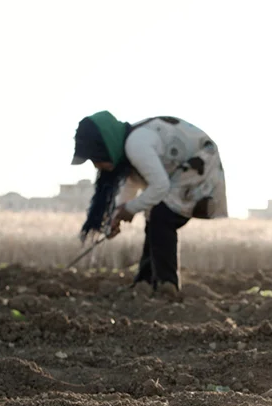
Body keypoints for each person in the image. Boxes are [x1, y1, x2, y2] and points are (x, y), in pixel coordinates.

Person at [71, 112, 227, 297]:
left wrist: (129, 209)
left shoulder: (136, 145)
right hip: (180, 173)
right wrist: (118, 215)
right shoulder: (130, 146)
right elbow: (132, 185)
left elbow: (160, 186)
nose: (97, 166)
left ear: (105, 147)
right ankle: (146, 281)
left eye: (96, 158)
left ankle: (166, 284)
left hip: (199, 165)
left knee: (162, 217)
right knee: (154, 216)